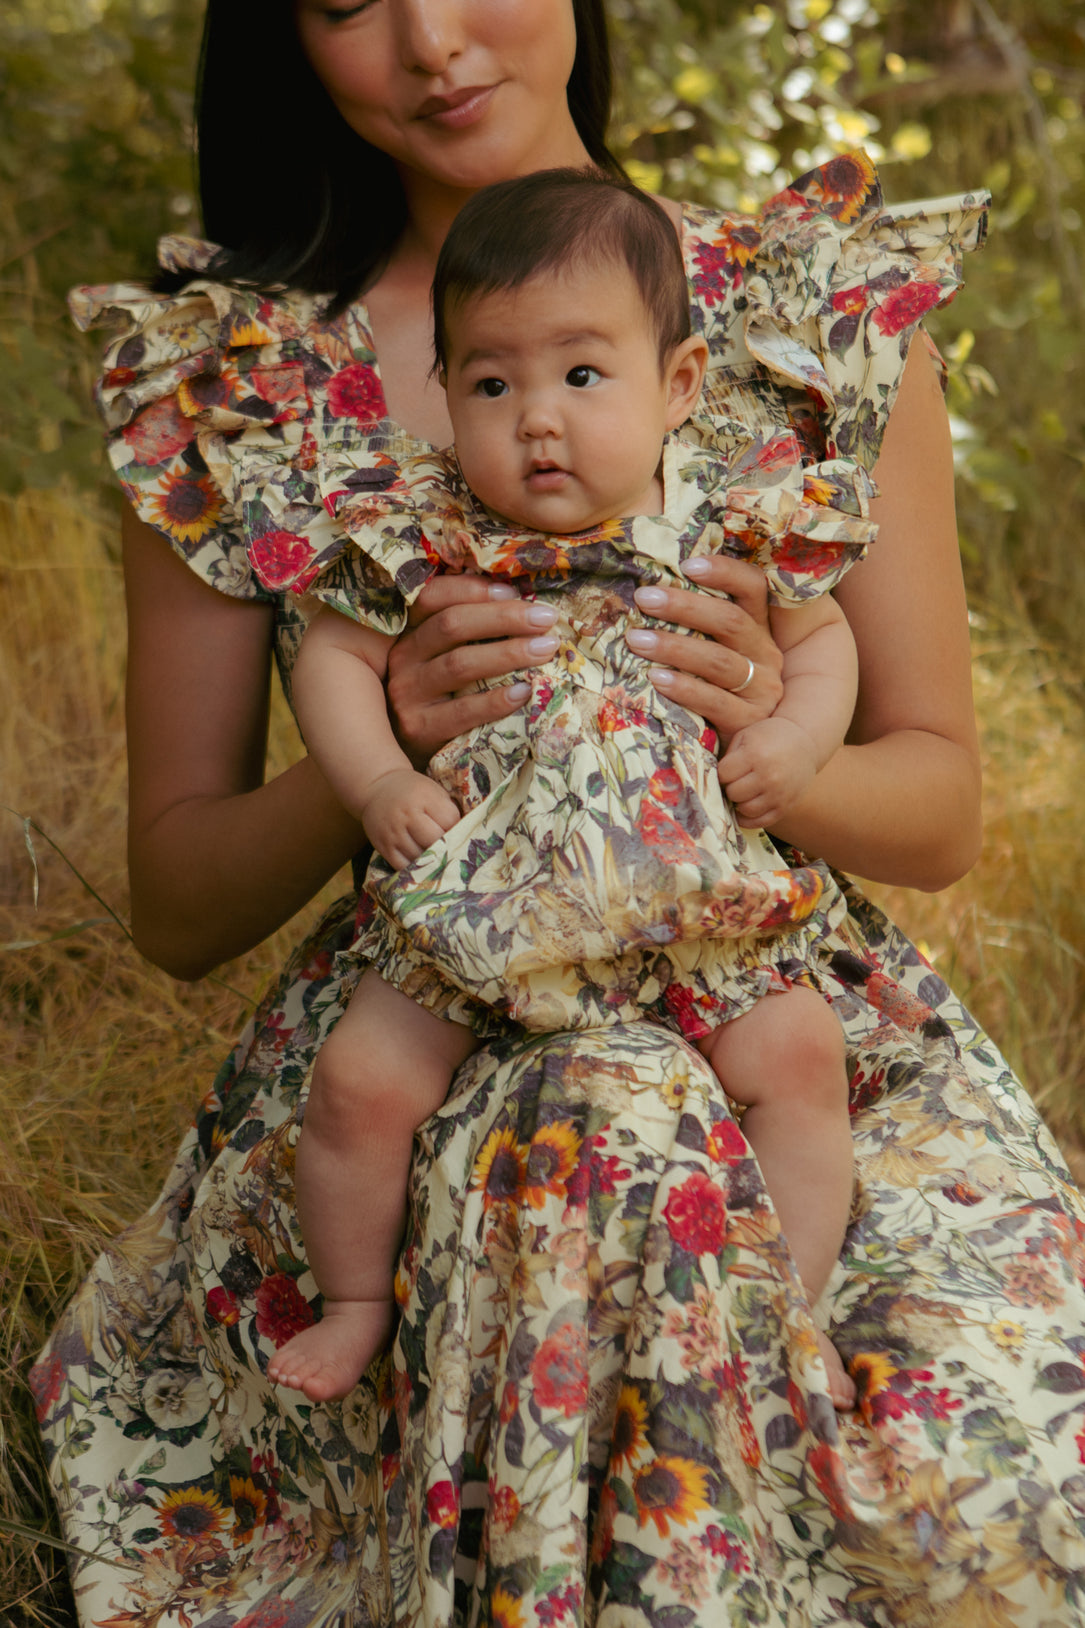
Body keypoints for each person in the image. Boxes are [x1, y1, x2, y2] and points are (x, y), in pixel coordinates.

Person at [32, 1, 1085, 1624]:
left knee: (983, 1492)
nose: (432, 40)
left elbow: (939, 804)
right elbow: (178, 900)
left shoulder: (810, 307)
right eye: (346, 3)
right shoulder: (240, 377)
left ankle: (789, 1343)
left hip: (781, 990)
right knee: (582, 1133)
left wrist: (782, 739)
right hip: (446, 979)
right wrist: (372, 756)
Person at [264, 167, 860, 1410]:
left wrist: (797, 742)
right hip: (485, 896)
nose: (536, 418)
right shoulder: (428, 525)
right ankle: (358, 1296)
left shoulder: (727, 514)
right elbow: (330, 652)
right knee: (361, 1085)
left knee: (799, 1056)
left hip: (689, 894)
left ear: (677, 385)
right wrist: (376, 777)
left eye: (580, 376)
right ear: (442, 393)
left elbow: (822, 642)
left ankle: (783, 1310)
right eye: (491, 381)